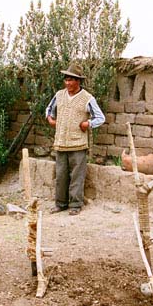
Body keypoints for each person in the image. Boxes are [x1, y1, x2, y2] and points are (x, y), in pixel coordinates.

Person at [45, 63, 105, 215]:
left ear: (78, 81)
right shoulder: (59, 95)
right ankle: (60, 203)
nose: (67, 83)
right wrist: (50, 119)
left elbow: (100, 117)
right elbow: (48, 109)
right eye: (66, 79)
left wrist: (88, 123)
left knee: (77, 177)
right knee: (61, 176)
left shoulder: (87, 98)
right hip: (60, 143)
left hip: (78, 144)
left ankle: (76, 205)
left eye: (71, 80)